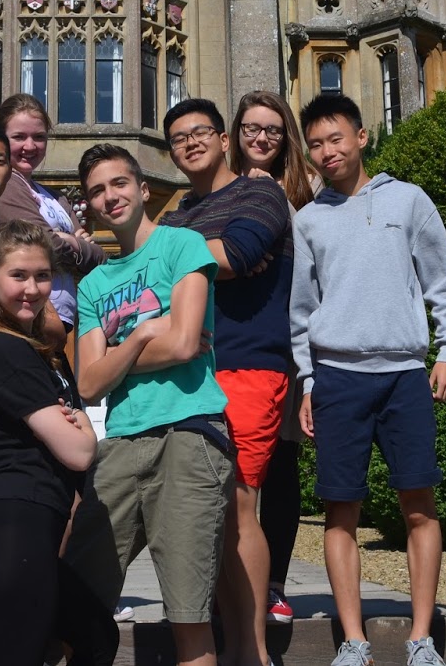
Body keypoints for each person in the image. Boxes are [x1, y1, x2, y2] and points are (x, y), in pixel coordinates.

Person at [290, 94, 446, 666]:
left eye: (335, 138)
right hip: (337, 377)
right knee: (340, 509)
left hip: (403, 375)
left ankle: (421, 638)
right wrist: (308, 381)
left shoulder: (408, 200)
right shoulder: (308, 220)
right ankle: (353, 640)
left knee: (419, 503)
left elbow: (443, 281)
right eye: (316, 144)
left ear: (361, 137)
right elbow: (301, 311)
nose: (327, 151)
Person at [66, 144, 232, 666]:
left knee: (188, 616)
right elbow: (88, 384)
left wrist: (115, 356)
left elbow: (183, 343)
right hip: (119, 444)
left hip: (187, 433)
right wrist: (139, 336)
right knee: (78, 604)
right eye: (97, 191)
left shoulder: (183, 244)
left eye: (118, 183)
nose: (109, 196)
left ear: (142, 189)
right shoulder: (93, 284)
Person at [159, 98, 294, 666]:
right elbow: (160, 276)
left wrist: (184, 263)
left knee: (239, 498)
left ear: (222, 139)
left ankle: (252, 651)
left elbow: (239, 253)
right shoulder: (175, 216)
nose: (190, 143)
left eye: (200, 132)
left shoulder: (259, 193)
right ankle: (229, 636)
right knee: (206, 504)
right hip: (191, 371)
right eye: (178, 138)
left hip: (247, 361)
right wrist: (204, 260)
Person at [0, 220, 117, 666]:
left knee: (98, 637)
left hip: (29, 536)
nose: (32, 289)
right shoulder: (2, 349)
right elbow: (78, 452)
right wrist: (85, 427)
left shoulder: (34, 349)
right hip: (12, 531)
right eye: (18, 276)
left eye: (42, 276)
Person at [227, 90, 318, 625]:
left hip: (289, 346)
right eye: (251, 128)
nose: (261, 138)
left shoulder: (306, 192)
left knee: (281, 465)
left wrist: (274, 203)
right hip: (235, 344)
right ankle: (232, 584)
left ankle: (275, 583)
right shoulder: (224, 187)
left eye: (272, 130)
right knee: (233, 472)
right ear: (236, 134)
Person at [0, 93, 107, 334]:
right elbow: (45, 245)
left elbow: (99, 257)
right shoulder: (6, 185)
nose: (30, 146)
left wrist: (68, 241)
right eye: (19, 137)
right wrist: (73, 242)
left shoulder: (55, 197)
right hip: (31, 316)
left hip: (64, 318)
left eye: (39, 137)